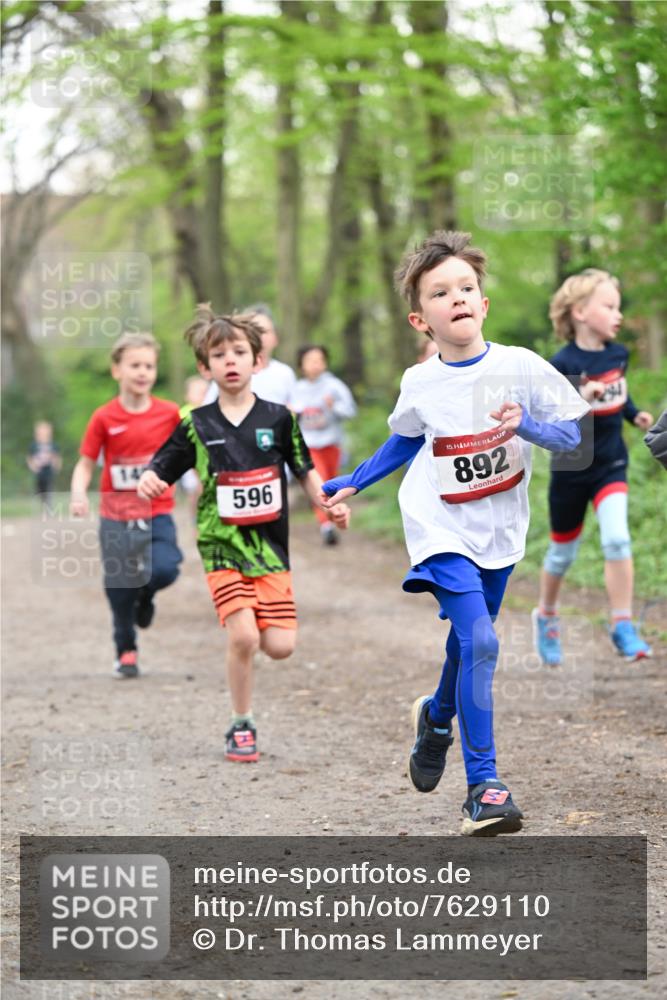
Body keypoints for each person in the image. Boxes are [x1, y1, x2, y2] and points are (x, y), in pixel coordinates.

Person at [321, 231, 589, 836]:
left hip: (500, 529)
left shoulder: (520, 366)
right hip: (438, 523)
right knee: (484, 642)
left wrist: (532, 425)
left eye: (467, 287)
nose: (458, 298)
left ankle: (437, 720)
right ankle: (484, 788)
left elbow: (574, 437)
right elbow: (407, 437)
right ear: (422, 318)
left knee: (470, 643)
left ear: (484, 302)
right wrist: (355, 483)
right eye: (441, 292)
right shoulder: (421, 383)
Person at [137, 306, 350, 764]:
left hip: (271, 547)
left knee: (280, 646)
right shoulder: (196, 422)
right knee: (245, 639)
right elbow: (161, 469)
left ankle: (253, 630)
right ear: (204, 366)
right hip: (221, 545)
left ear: (257, 361)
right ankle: (242, 721)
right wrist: (150, 480)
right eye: (219, 354)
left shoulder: (280, 418)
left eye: (239, 351)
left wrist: (329, 504)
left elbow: (306, 471)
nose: (230, 360)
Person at [532, 269, 654, 666]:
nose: (618, 315)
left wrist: (634, 414)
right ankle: (546, 616)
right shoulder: (561, 363)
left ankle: (623, 624)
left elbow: (621, 390)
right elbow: (550, 420)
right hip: (571, 470)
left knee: (618, 540)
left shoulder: (618, 354)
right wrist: (582, 395)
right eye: (609, 306)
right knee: (561, 556)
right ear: (580, 311)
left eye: (618, 307)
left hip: (610, 463)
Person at [69, 332, 183, 679]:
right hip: (116, 515)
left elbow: (189, 454)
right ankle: (126, 649)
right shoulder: (104, 417)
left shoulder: (170, 414)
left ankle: (145, 595)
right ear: (117, 370)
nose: (142, 372)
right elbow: (86, 462)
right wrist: (77, 493)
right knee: (119, 584)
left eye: (149, 365)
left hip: (157, 511)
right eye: (134, 365)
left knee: (165, 568)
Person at [289, 344, 357, 545]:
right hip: (309, 445)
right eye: (310, 361)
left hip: (331, 443)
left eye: (319, 360)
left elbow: (351, 410)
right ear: (301, 365)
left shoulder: (334, 386)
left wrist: (333, 407)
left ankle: (334, 517)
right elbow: (290, 414)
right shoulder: (297, 389)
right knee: (320, 484)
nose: (315, 365)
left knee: (332, 485)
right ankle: (326, 525)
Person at [203, 304, 296, 405]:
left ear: (276, 338)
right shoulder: (231, 372)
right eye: (255, 331)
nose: (260, 336)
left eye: (265, 331)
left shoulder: (285, 373)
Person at [179, 375, 210, 523]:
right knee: (195, 491)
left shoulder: (212, 413)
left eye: (205, 391)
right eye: (198, 392)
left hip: (208, 460)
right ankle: (195, 520)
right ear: (187, 396)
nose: (203, 395)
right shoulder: (185, 414)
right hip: (189, 461)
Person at [27, 420, 61, 506]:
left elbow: (57, 457)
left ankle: (49, 505)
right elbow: (30, 458)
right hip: (39, 472)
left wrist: (56, 466)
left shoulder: (53, 445)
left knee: (49, 488)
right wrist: (33, 467)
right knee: (40, 489)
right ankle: (42, 504)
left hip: (49, 470)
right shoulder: (34, 445)